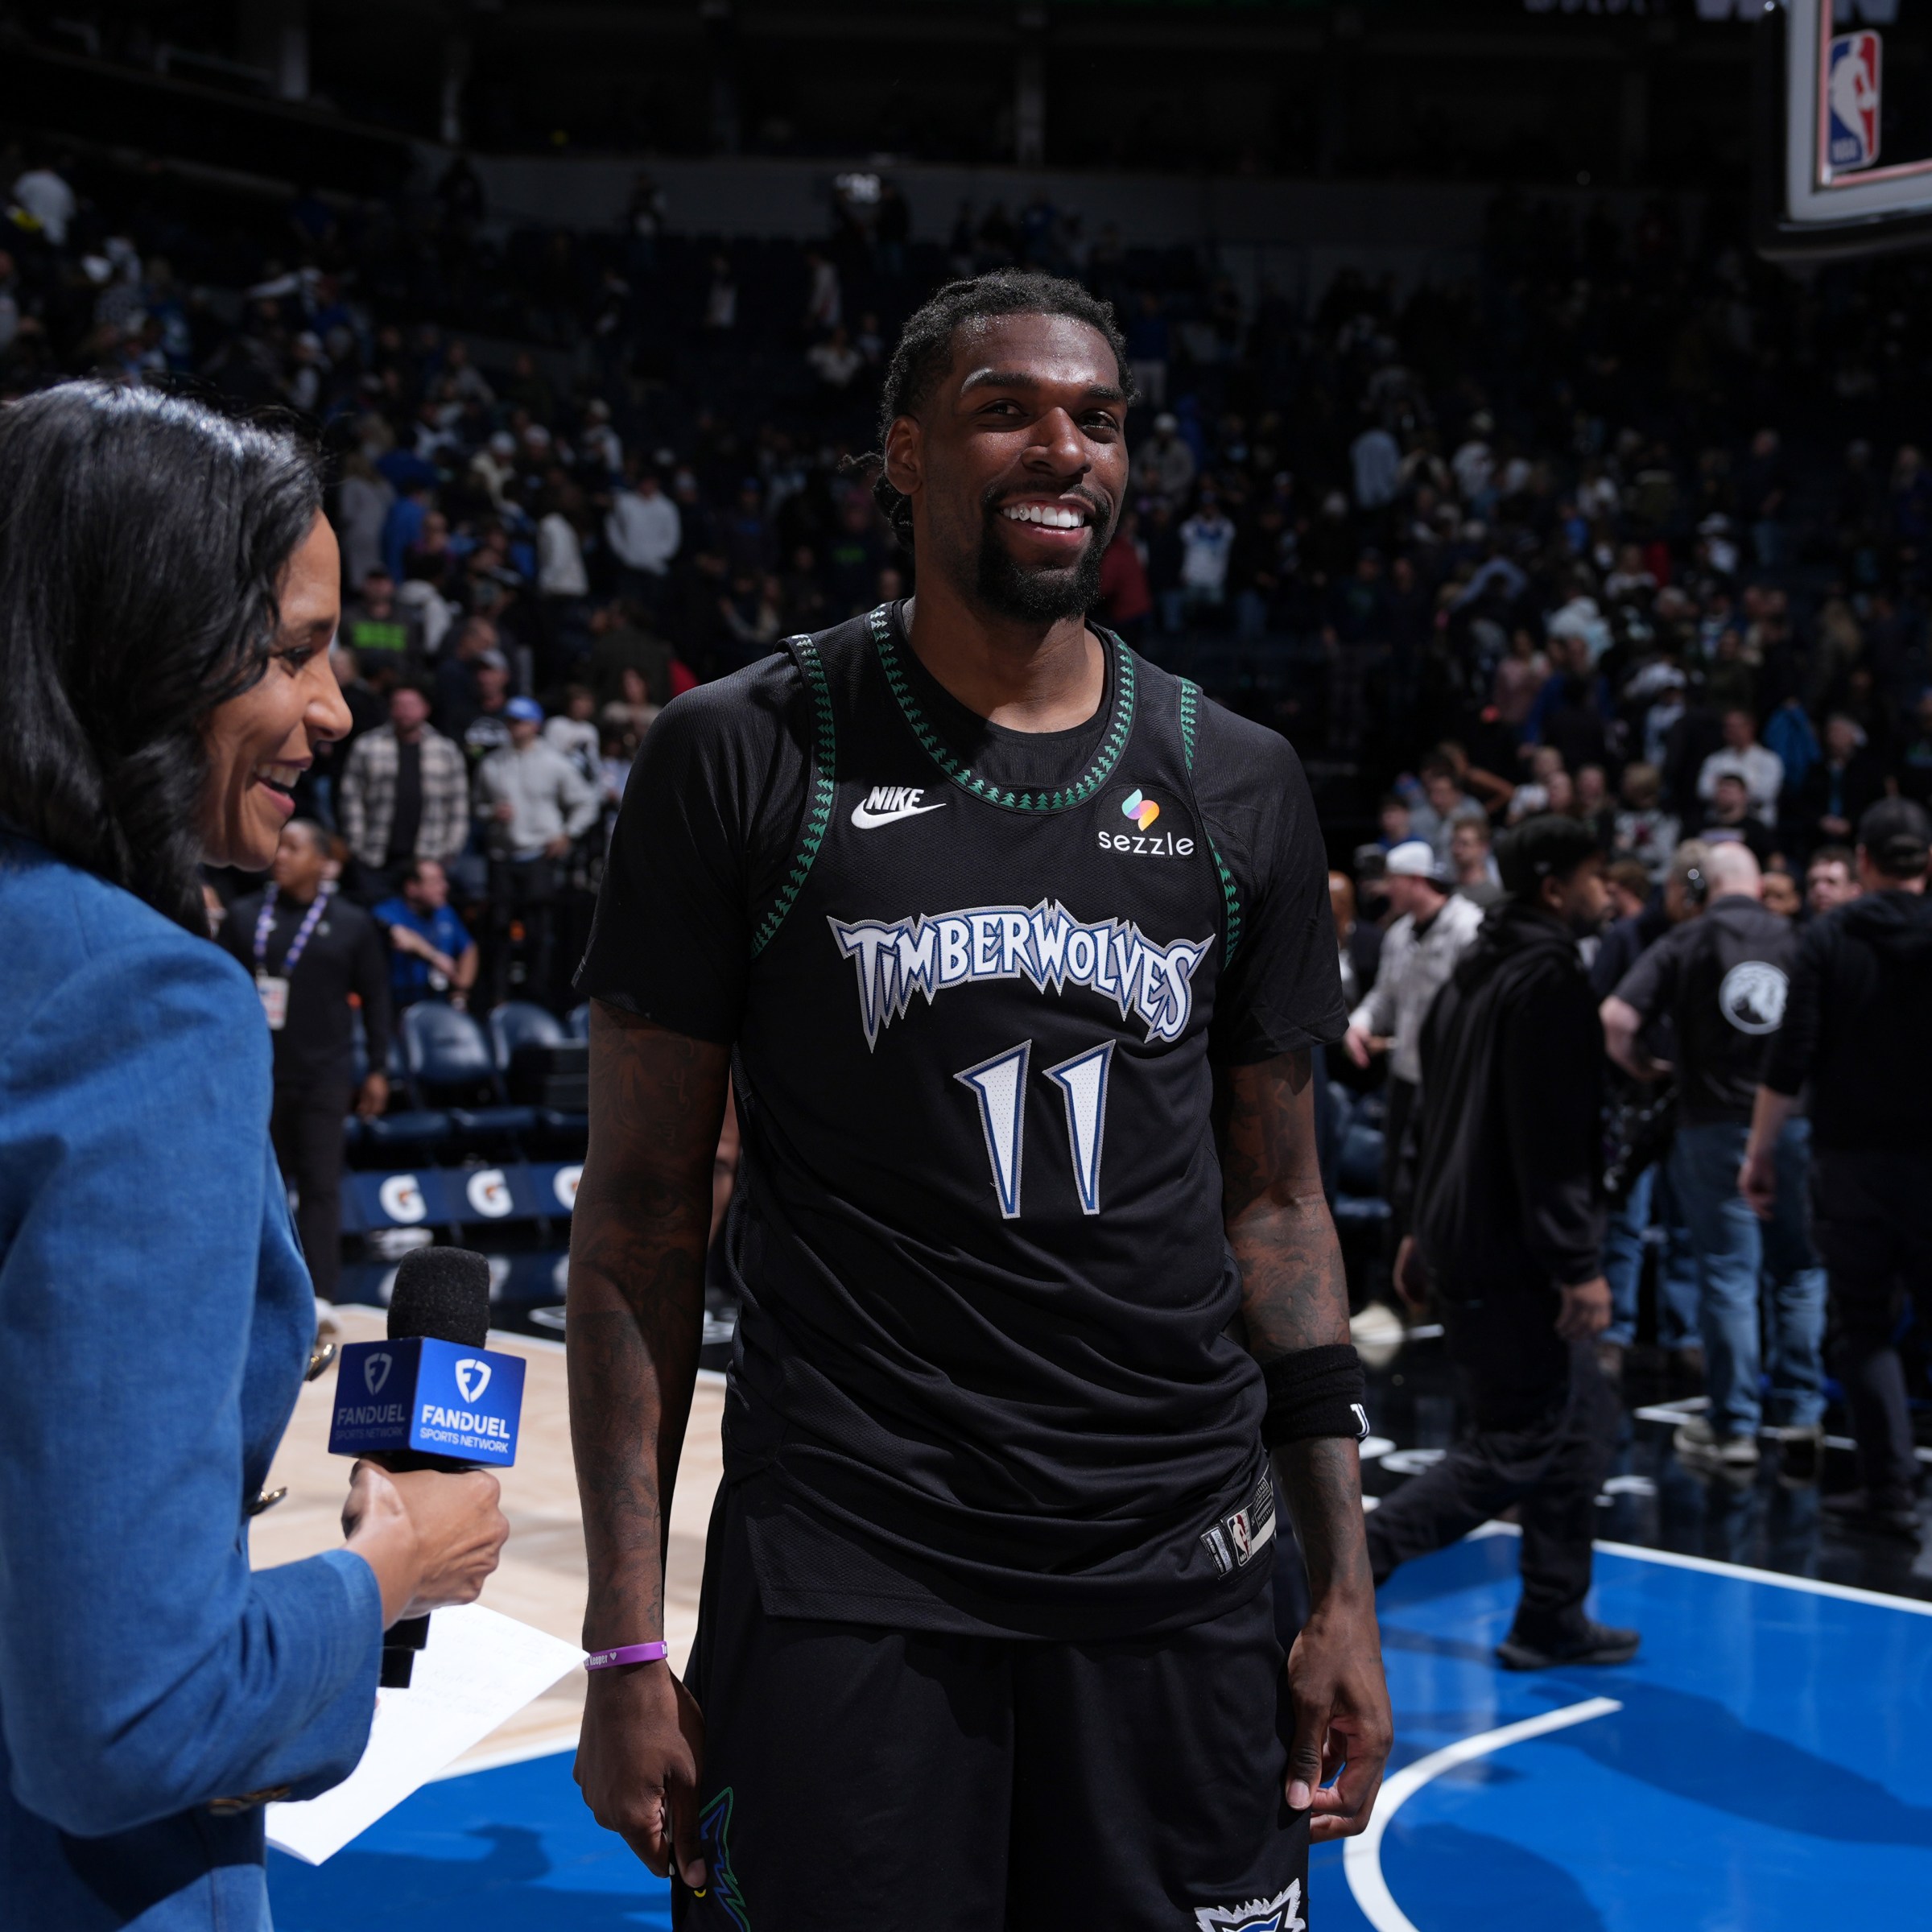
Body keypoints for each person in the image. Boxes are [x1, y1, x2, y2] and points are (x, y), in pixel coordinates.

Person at [568, 271, 1389, 1926]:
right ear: (903, 454)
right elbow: (641, 1221)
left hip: (1179, 1564)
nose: (1062, 448)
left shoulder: (1238, 779)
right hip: (855, 1571)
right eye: (1007, 408)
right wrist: (628, 1640)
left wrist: (1342, 1587)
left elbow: (1280, 1208)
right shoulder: (740, 756)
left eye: (1098, 419)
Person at [0, 382, 506, 1927]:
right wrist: (387, 1574)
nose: (338, 709)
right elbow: (125, 1718)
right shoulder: (135, 1000)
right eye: (292, 651)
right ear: (139, 648)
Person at [1368, 816, 1634, 1671]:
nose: (1609, 893)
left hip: (1459, 1237)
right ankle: (1346, 1564)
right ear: (1555, 887)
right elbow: (1553, 1141)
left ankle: (1551, 1614)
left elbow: (1423, 1116)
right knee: (1512, 1444)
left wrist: (1415, 1225)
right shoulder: (1547, 980)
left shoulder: (1472, 973)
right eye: (1597, 877)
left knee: (1582, 1423)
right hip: (1513, 1255)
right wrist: (1578, 1263)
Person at [1601, 842, 1824, 1473]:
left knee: (1729, 1273)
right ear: (1757, 883)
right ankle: (1804, 1417)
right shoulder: (1801, 938)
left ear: (1707, 885)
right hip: (1796, 1125)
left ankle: (1735, 1427)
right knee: (1800, 1271)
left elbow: (1616, 1018)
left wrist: (1648, 1068)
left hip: (1714, 1124)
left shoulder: (1689, 940)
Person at [1744, 799, 1932, 1540]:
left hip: (1850, 1162)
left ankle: (1889, 1493)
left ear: (1862, 862)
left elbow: (1788, 1059)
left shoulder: (1827, 938)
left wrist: (1759, 1153)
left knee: (1862, 1325)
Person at [221, 821, 394, 1304]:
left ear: (323, 862)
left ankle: (320, 1300)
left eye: (294, 848)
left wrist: (378, 1068)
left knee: (320, 1189)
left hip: (324, 1074)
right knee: (256, 1186)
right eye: (280, 845)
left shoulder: (350, 923)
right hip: (257, 1074)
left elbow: (378, 998)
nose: (281, 854)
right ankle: (253, 1290)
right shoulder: (244, 915)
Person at [1344, 839, 1484, 1236]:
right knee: (1397, 1181)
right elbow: (1384, 997)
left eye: (1394, 881)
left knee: (1441, 1180)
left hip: (1450, 1080)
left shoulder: (1468, 928)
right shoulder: (1399, 933)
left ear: (1416, 881)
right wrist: (1361, 1024)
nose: (1387, 890)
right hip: (1405, 1074)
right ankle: (1396, 1286)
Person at [473, 695, 599, 1008]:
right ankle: (499, 997)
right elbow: (477, 805)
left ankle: (537, 996)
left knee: (538, 932)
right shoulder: (492, 764)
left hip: (539, 855)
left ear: (535, 725)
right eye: (511, 721)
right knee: (500, 930)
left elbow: (586, 801)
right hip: (504, 855)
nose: (514, 727)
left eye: (520, 721)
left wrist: (568, 834)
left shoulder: (554, 763)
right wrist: (491, 813)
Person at [337, 676, 472, 905]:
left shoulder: (446, 750)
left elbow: (458, 805)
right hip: (376, 856)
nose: (404, 711)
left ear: (426, 709)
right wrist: (357, 844)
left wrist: (450, 850)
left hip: (428, 858)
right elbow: (351, 798)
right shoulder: (367, 746)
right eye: (398, 705)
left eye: (411, 705)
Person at [373, 857, 478, 1010]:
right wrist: (435, 957)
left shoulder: (445, 912)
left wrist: (461, 990)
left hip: (439, 1002)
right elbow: (401, 937)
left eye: (443, 880)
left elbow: (469, 948)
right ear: (412, 887)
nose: (444, 887)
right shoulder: (388, 911)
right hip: (399, 1002)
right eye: (435, 882)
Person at [1804, 842, 1861, 919]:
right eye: (1813, 883)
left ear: (1855, 891)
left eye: (1831, 882)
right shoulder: (1794, 929)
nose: (1819, 889)